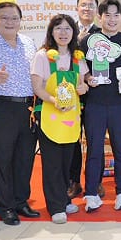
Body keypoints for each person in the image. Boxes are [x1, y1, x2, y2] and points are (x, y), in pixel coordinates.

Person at [0, 0, 38, 226]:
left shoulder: (29, 43)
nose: (10, 22)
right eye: (5, 18)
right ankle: (5, 207)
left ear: (20, 21)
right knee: (2, 158)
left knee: (25, 157)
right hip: (0, 107)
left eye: (14, 18)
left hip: (27, 107)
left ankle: (21, 201)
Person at [79, 0, 121, 212]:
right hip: (94, 104)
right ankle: (91, 194)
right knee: (94, 150)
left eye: (116, 15)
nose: (112, 20)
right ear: (100, 17)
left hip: (120, 104)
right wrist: (87, 78)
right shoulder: (87, 41)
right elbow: (81, 67)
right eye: (107, 15)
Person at [31, 14, 89, 223]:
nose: (63, 33)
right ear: (51, 32)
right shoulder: (42, 56)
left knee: (67, 161)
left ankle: (64, 199)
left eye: (67, 28)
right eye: (58, 28)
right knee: (52, 162)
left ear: (74, 32)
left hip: (71, 116)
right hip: (50, 114)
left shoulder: (77, 57)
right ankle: (55, 206)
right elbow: (37, 87)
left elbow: (82, 84)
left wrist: (83, 88)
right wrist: (54, 100)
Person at [67, 0, 102, 200]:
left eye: (91, 5)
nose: (87, 8)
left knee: (94, 140)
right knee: (72, 139)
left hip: (95, 95)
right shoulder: (68, 30)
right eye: (83, 5)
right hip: (70, 94)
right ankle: (74, 181)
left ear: (96, 10)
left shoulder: (102, 33)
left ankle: (95, 181)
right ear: (77, 8)